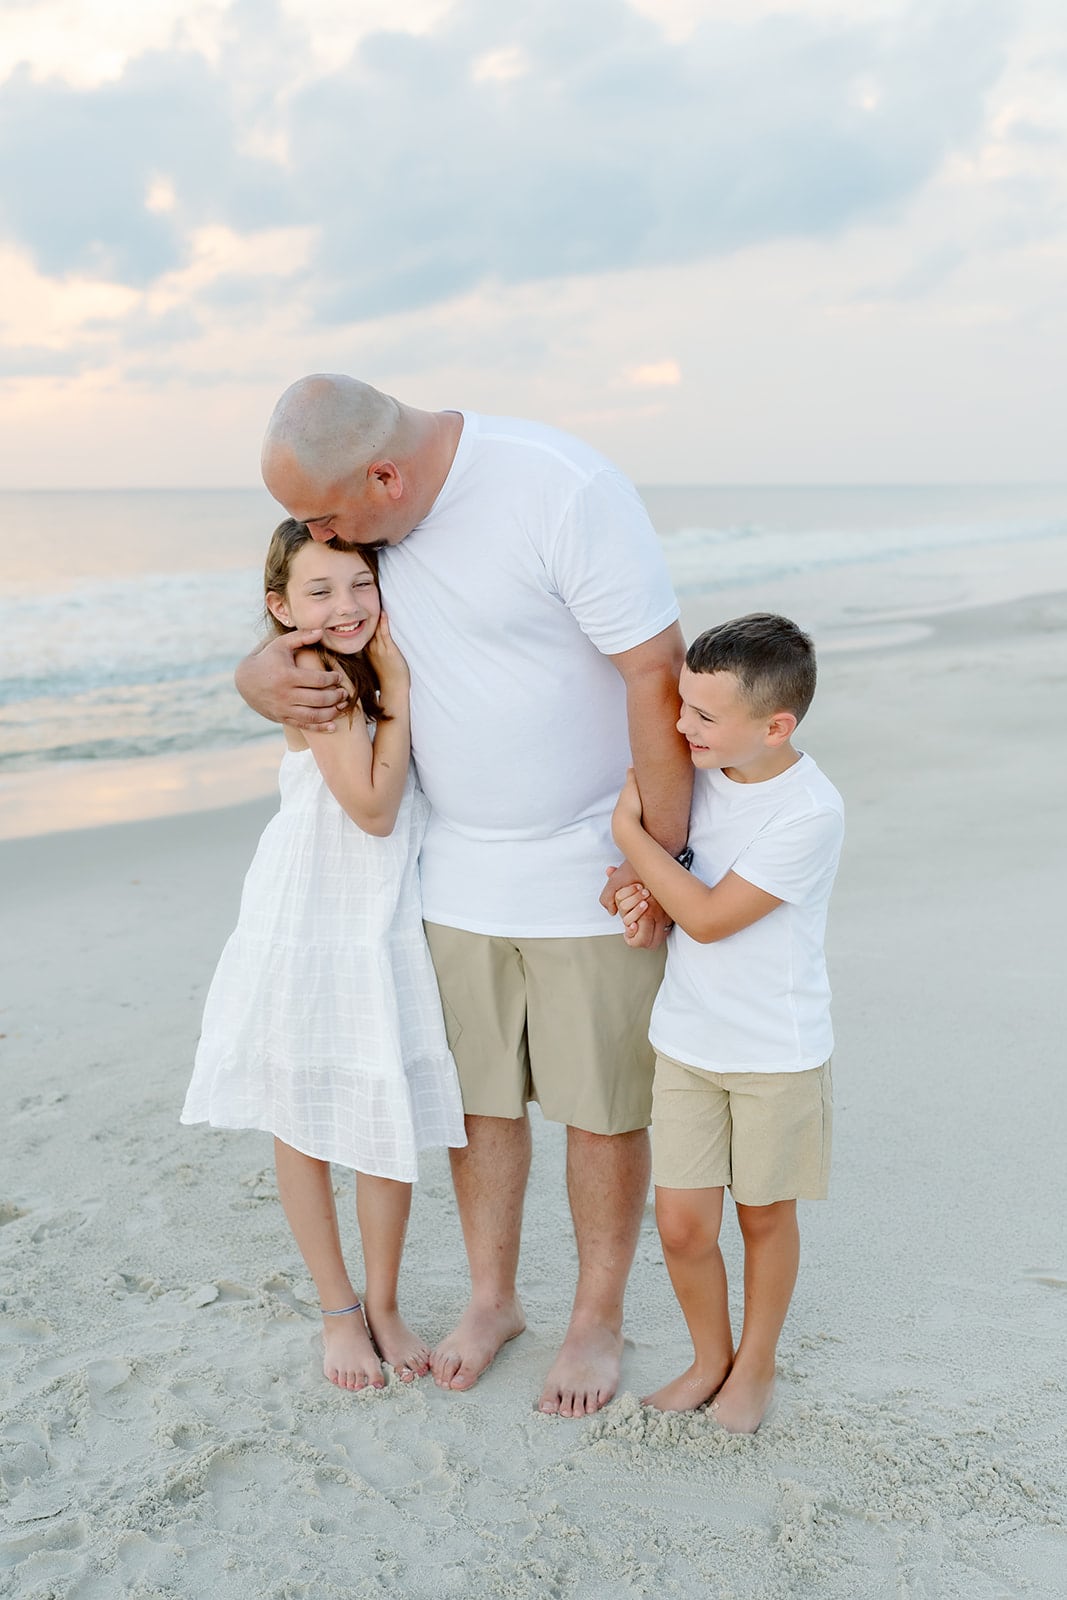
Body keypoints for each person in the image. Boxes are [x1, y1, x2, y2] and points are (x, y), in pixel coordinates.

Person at [237, 374, 692, 1416]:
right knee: (477, 1102)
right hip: (451, 872)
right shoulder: (376, 526)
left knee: (600, 1108)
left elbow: (654, 671)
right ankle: (493, 1300)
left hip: (589, 861)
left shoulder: (558, 489)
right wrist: (249, 675)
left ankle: (594, 1316)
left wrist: (657, 864)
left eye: (326, 514)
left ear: (384, 477)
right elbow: (307, 615)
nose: (318, 533)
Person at [182, 519, 466, 1393]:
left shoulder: (364, 655)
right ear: (281, 608)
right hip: (314, 912)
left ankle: (384, 1302)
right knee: (303, 1114)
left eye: (358, 584)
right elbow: (373, 808)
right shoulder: (315, 672)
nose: (344, 605)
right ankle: (341, 1310)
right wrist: (402, 687)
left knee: (382, 1108)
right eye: (318, 591)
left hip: (375, 916)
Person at [610, 613, 844, 1432]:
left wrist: (625, 834)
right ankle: (708, 1356)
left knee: (763, 1217)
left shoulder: (808, 812)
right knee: (679, 1226)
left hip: (773, 1051)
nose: (679, 726)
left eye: (704, 716)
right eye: (681, 705)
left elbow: (708, 917)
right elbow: (656, 887)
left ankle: (756, 1364)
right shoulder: (691, 773)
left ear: (774, 727)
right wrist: (632, 891)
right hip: (686, 1040)